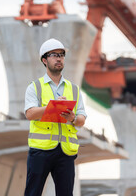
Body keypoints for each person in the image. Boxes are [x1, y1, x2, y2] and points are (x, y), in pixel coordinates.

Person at [23, 38, 87, 196]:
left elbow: (81, 120)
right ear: (44, 60)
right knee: (32, 193)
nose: (59, 58)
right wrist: (51, 106)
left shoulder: (74, 89)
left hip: (65, 152)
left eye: (62, 55)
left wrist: (72, 118)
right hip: (40, 150)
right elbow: (30, 114)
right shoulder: (35, 87)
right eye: (54, 55)